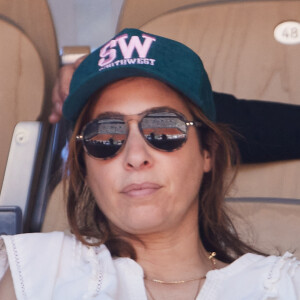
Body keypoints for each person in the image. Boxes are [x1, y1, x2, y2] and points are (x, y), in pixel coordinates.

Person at [1, 28, 299, 299]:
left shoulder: (282, 287)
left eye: (164, 130)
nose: (135, 156)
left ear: (207, 151)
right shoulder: (38, 271)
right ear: (85, 165)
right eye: (106, 135)